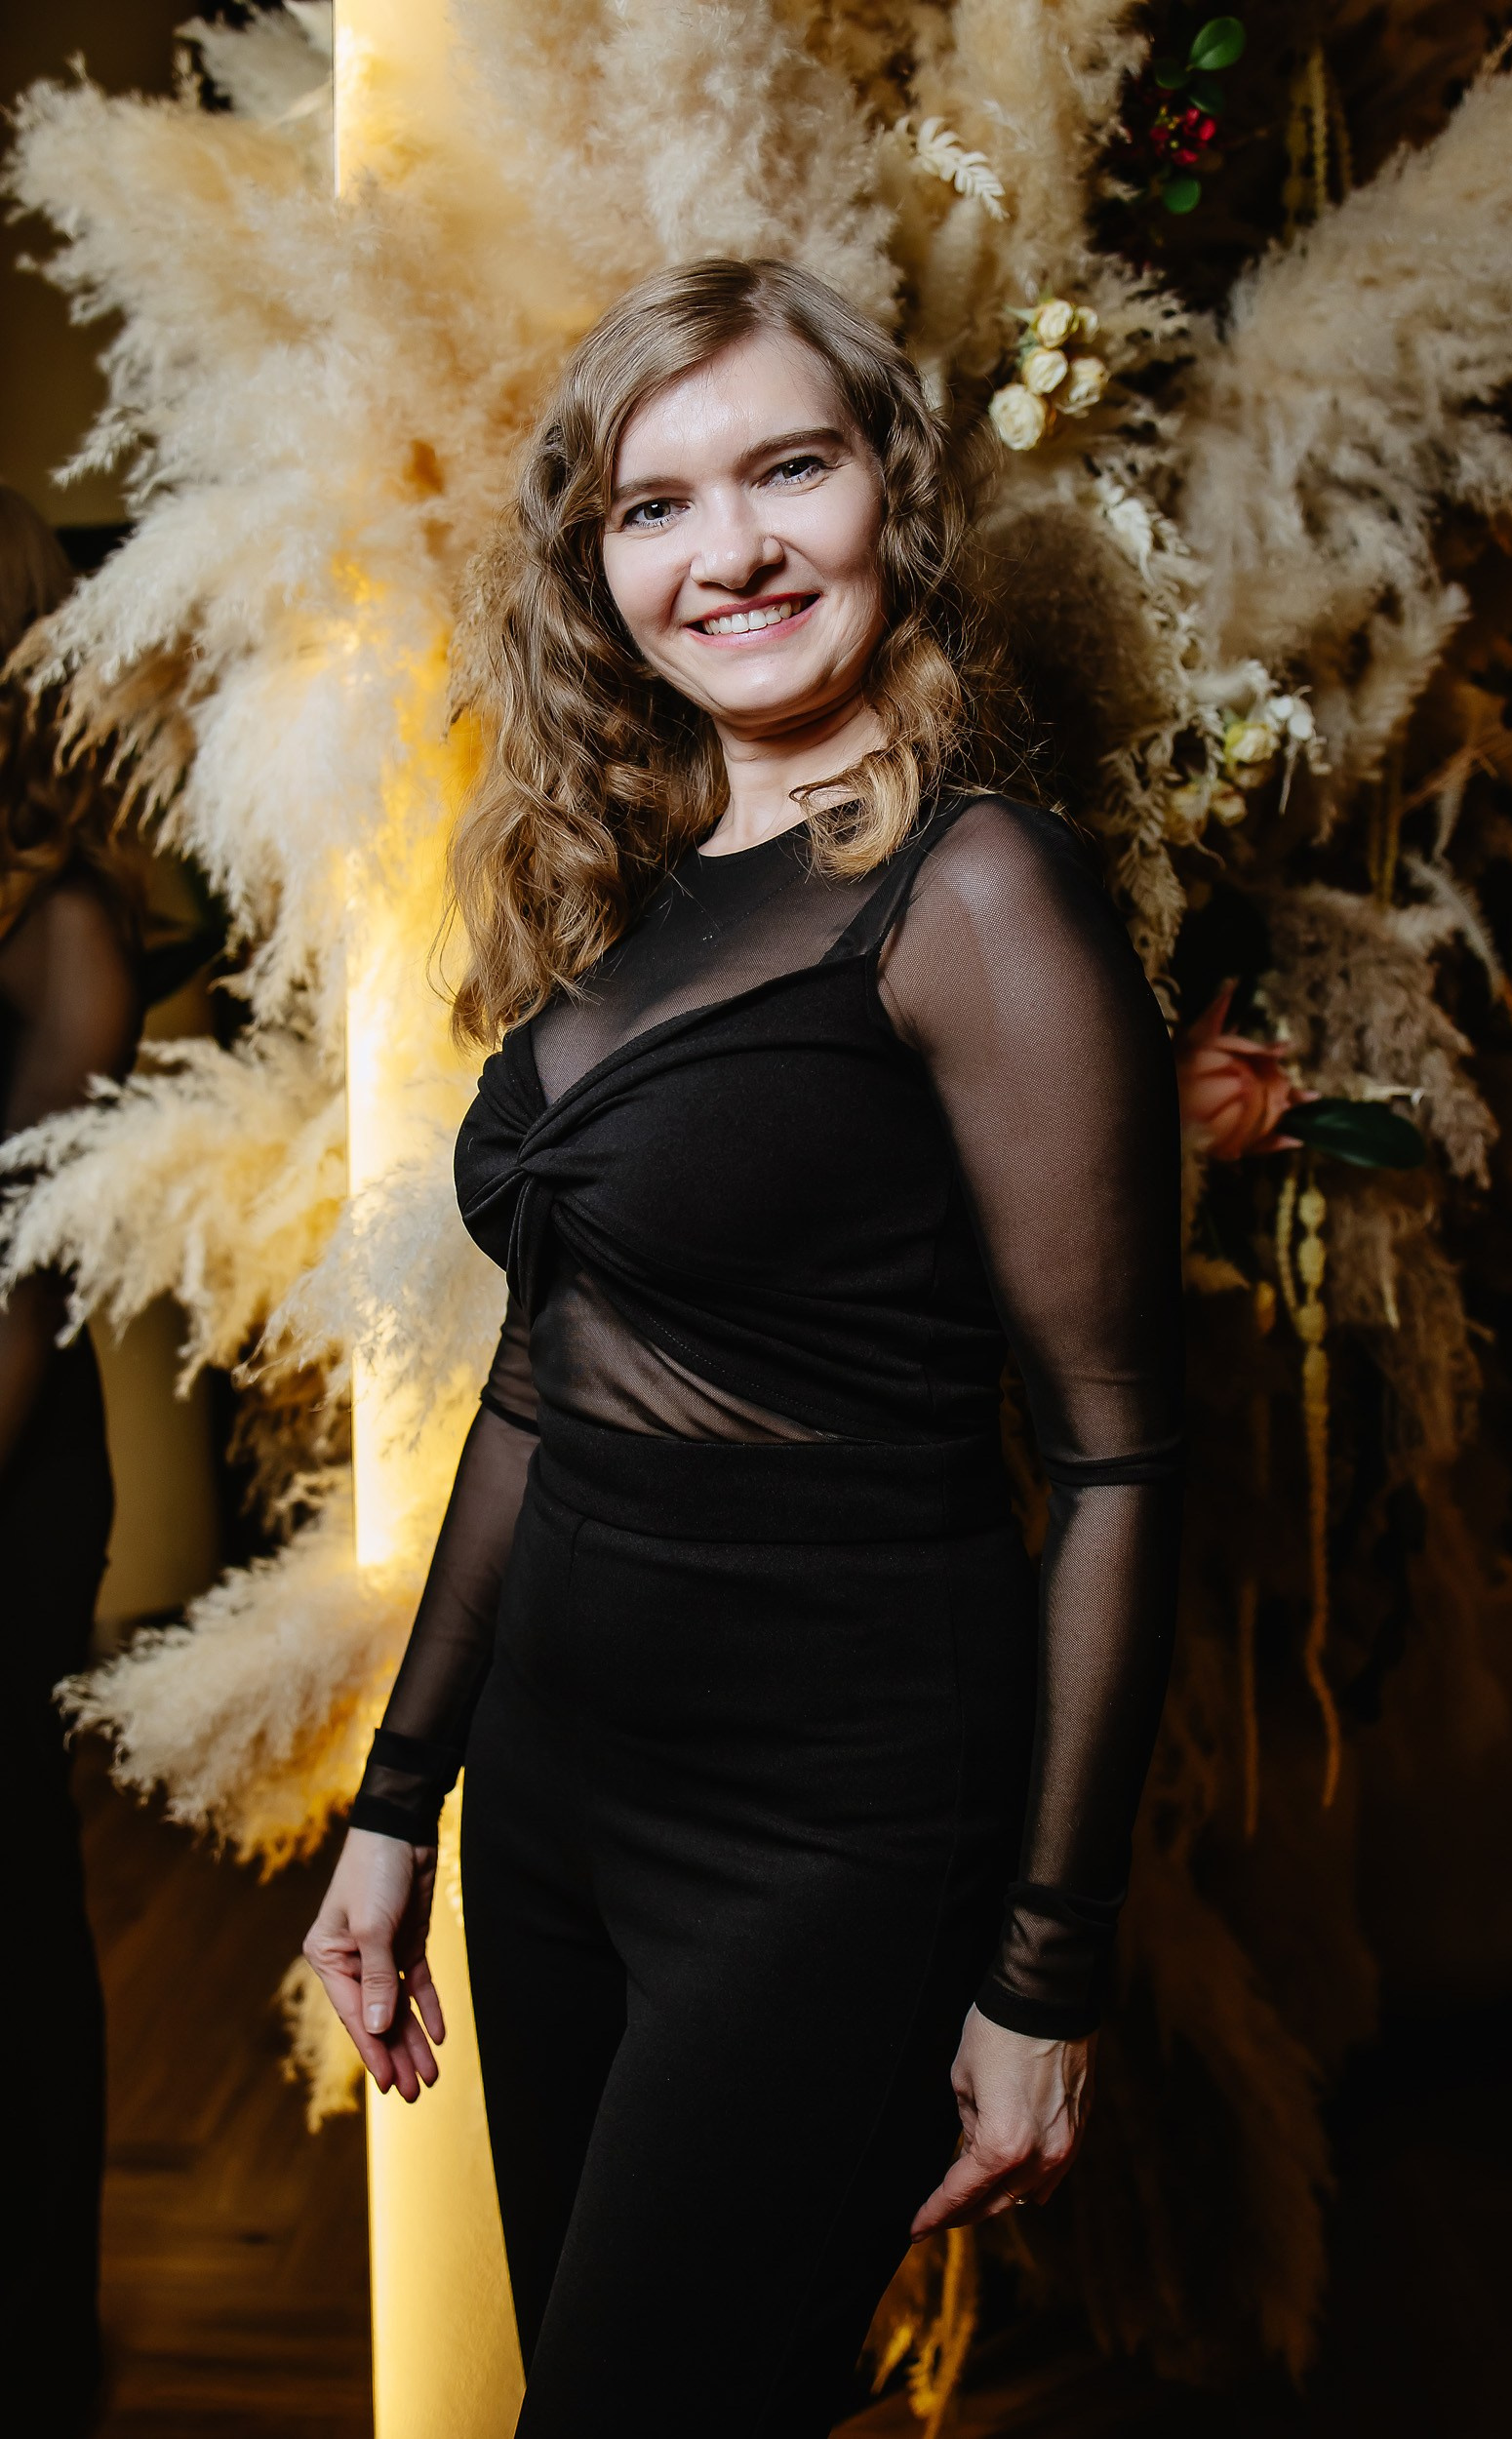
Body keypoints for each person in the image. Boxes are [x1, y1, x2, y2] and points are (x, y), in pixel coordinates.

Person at [304, 258, 1182, 2436]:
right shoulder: (634, 885)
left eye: (789, 469)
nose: (733, 552)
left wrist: (1047, 1966)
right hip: (556, 1805)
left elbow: (1116, 1456)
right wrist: (401, 1803)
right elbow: (548, 1380)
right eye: (656, 505)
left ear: (892, 490)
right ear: (600, 568)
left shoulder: (977, 894)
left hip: (832, 1832)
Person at [0, 487, 142, 2431]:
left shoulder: (64, 922)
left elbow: (19, 1287)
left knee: (8, 1906)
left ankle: (34, 2351)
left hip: (6, 1463)